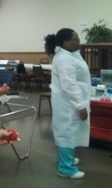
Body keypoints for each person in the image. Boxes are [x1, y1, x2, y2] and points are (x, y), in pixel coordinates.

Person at [44, 28, 91, 179]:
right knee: (66, 133)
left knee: (72, 131)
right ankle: (65, 168)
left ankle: (68, 159)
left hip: (71, 101)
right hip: (68, 103)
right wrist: (80, 106)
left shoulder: (71, 55)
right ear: (65, 42)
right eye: (76, 39)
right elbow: (69, 85)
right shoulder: (64, 59)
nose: (79, 41)